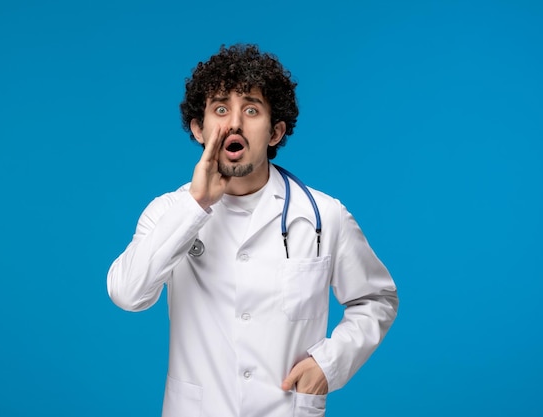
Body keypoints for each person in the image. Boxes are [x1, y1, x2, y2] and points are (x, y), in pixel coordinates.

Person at [107, 44, 398, 417]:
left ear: (275, 132)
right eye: (220, 109)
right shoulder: (168, 212)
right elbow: (128, 294)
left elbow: (376, 300)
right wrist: (195, 206)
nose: (234, 124)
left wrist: (329, 364)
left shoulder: (325, 216)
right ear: (200, 128)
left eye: (251, 109)